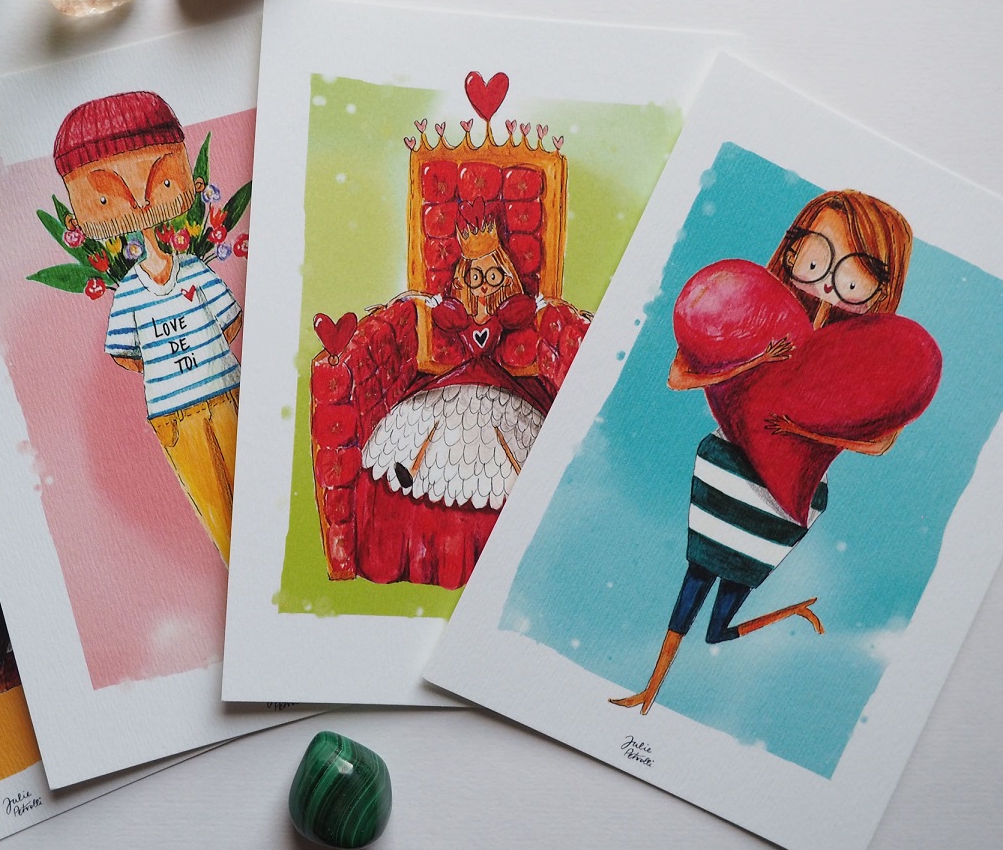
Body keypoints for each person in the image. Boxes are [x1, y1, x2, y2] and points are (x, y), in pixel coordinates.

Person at [611, 189, 925, 715]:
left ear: (881, 286)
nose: (829, 281)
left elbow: (880, 440)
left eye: (855, 274)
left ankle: (782, 613)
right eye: (815, 257)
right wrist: (754, 360)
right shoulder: (752, 312)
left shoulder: (869, 357)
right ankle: (652, 687)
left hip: (789, 498)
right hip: (728, 472)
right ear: (792, 248)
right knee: (696, 577)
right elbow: (679, 375)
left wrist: (806, 428)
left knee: (721, 616)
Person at [54, 92, 242, 564]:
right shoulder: (129, 294)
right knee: (219, 514)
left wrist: (199, 356)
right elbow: (124, 352)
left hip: (227, 393)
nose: (139, 201)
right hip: (171, 413)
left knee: (255, 486)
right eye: (105, 196)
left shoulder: (195, 270)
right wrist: (164, 366)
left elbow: (230, 321)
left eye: (160, 179)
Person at [361, 217, 551, 511]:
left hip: (492, 376)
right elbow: (439, 312)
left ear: (503, 277)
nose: (483, 286)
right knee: (434, 423)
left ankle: (523, 477)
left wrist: (535, 305)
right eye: (476, 278)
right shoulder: (459, 315)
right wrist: (428, 303)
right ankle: (412, 469)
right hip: (461, 374)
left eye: (492, 277)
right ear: (465, 279)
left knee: (504, 431)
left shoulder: (503, 315)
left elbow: (520, 312)